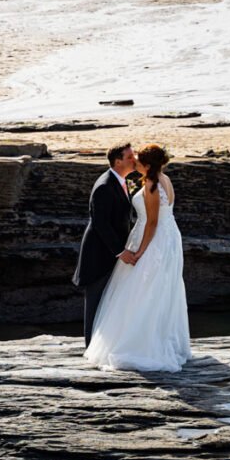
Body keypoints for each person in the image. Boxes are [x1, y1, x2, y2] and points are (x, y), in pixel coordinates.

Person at [84, 144, 191, 372]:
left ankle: (141, 344)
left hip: (153, 240)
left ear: (148, 165)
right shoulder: (164, 179)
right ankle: (157, 337)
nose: (135, 162)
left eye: (139, 160)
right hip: (168, 237)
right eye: (132, 158)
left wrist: (141, 250)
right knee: (160, 288)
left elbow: (152, 222)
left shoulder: (152, 185)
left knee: (142, 290)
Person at [72, 142, 139, 347]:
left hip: (116, 251)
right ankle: (91, 347)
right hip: (99, 254)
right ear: (118, 161)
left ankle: (108, 344)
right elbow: (101, 224)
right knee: (95, 300)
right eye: (130, 157)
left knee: (111, 301)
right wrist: (120, 251)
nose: (134, 159)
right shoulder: (104, 186)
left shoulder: (127, 180)